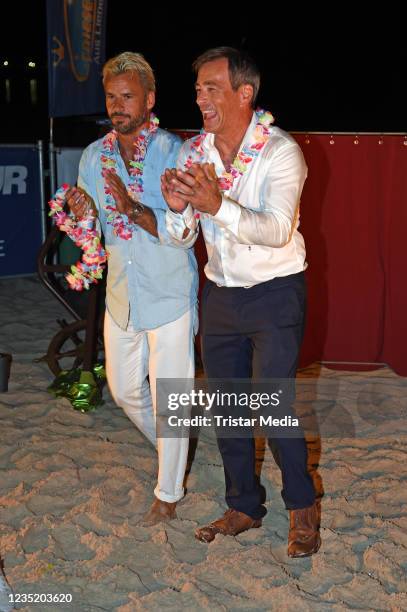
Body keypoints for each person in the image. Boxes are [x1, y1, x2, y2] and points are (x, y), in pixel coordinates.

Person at [161, 47, 320, 557]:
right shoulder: (194, 154)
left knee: (273, 407)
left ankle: (302, 508)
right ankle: (244, 507)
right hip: (221, 294)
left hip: (276, 291)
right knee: (228, 409)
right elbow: (183, 237)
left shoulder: (280, 152)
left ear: (244, 93)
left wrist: (216, 204)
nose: (200, 98)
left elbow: (277, 231)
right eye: (198, 89)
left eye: (212, 88)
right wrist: (179, 211)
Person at [66, 52, 198, 525]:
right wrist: (80, 213)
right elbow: (91, 230)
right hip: (121, 296)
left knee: (172, 397)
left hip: (169, 295)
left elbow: (187, 233)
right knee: (123, 391)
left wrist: (135, 208)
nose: (118, 106)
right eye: (111, 97)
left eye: (128, 96)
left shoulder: (176, 152)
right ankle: (173, 449)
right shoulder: (93, 156)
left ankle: (168, 493)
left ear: (149, 99)